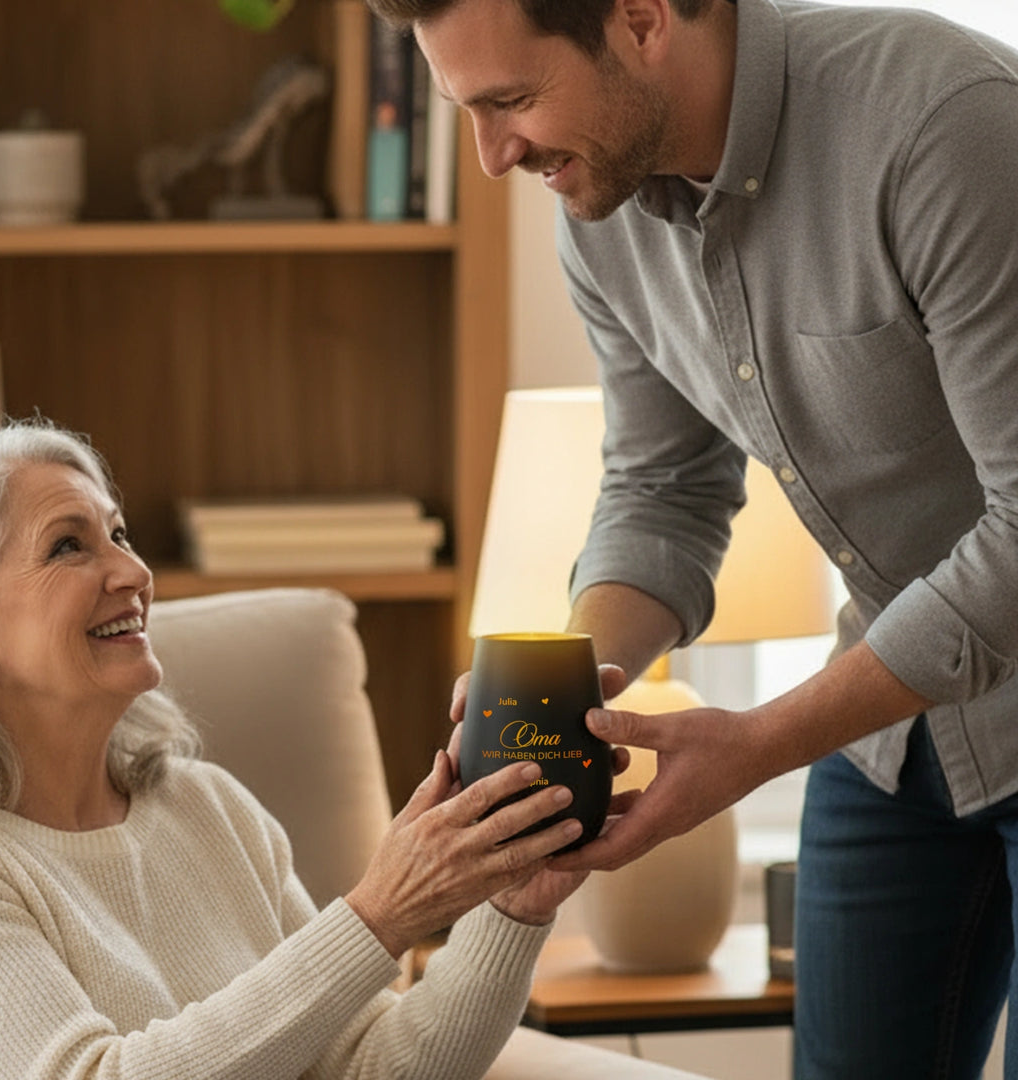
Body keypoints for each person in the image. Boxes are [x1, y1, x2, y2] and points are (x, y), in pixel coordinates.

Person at [364, 0, 1018, 1076]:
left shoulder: (941, 126)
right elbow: (663, 487)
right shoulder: (597, 209)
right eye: (467, 111)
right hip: (900, 742)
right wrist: (571, 697)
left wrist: (759, 744)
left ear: (641, 17)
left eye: (513, 101)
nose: (491, 158)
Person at [0, 420, 594, 1079]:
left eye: (118, 535)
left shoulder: (208, 806)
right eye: (67, 547)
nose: (134, 572)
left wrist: (513, 906)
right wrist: (379, 916)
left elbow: (368, 1070)